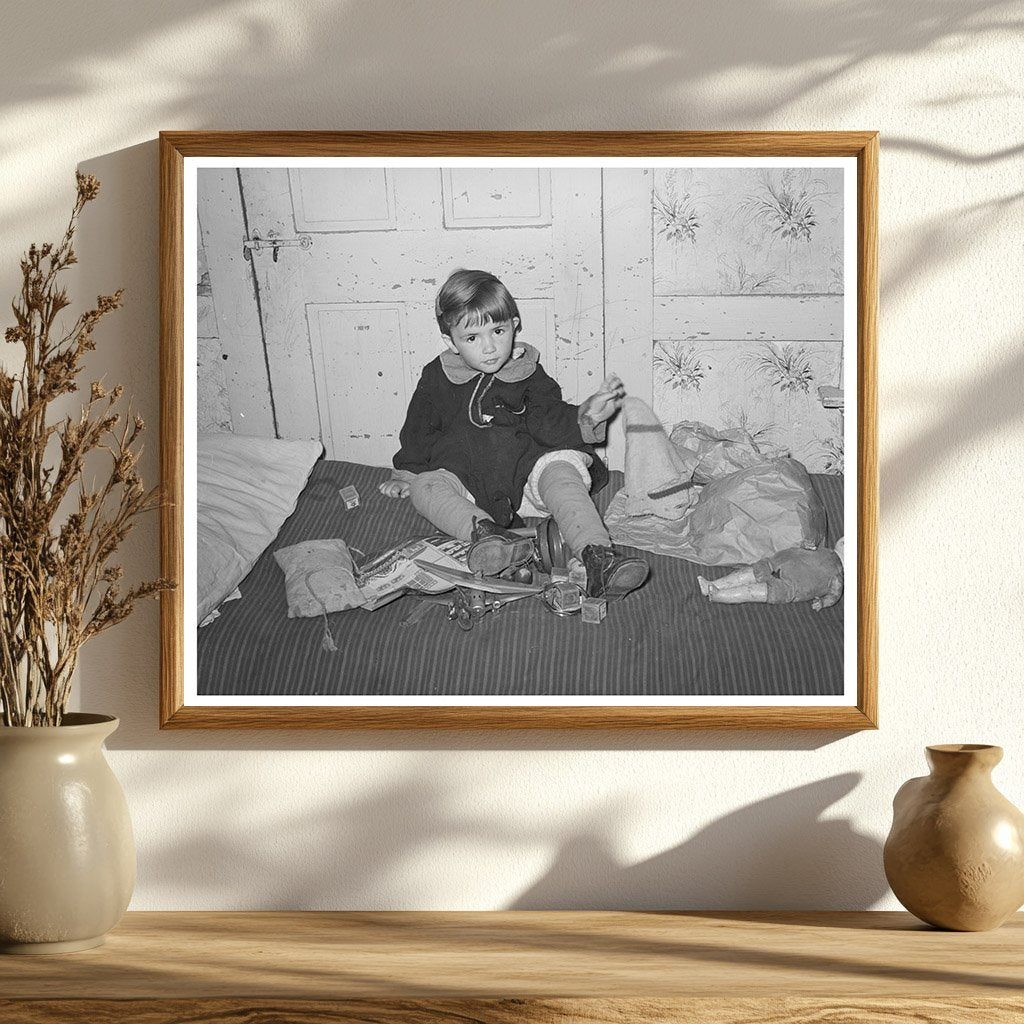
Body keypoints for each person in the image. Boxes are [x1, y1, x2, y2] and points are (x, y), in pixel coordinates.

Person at [378, 269, 649, 601]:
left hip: (526, 471)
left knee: (561, 470)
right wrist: (406, 473)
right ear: (451, 341)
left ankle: (598, 556)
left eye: (498, 330)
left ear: (514, 324)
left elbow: (549, 420)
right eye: (472, 338)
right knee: (426, 487)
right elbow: (418, 430)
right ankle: (487, 536)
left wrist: (587, 416)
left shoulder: (528, 373)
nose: (490, 347)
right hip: (467, 480)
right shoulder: (437, 377)